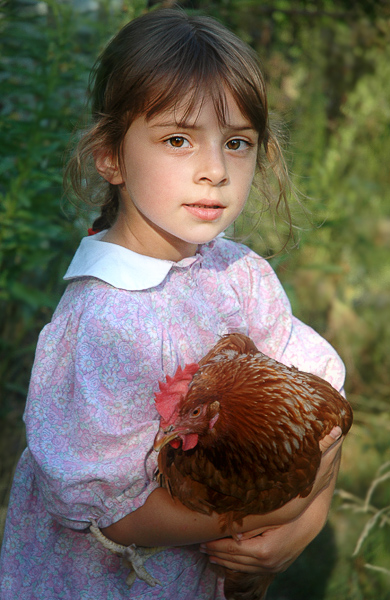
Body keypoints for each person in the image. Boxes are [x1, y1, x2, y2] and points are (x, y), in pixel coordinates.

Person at [0, 8, 346, 599]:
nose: (213, 170)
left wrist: (305, 526)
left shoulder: (241, 275)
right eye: (179, 139)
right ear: (110, 157)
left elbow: (327, 414)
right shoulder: (102, 322)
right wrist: (278, 513)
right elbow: (113, 517)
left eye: (236, 143)